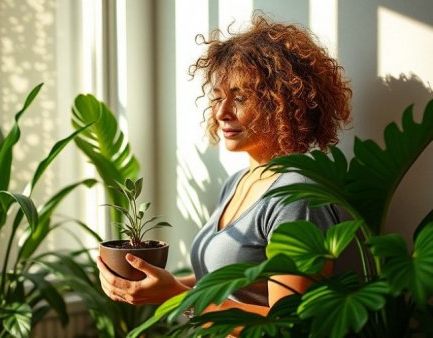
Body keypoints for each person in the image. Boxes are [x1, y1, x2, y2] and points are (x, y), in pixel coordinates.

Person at [96, 13, 352, 333]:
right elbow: (229, 281)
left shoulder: (297, 196)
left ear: (284, 102)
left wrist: (176, 296)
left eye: (240, 97)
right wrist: (157, 285)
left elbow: (289, 324)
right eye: (218, 98)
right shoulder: (238, 182)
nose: (221, 112)